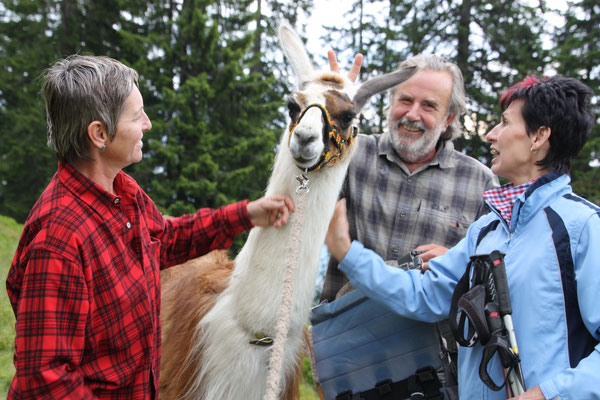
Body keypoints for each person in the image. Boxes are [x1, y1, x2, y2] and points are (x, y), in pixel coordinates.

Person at [5, 54, 294, 399]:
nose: (148, 124)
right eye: (136, 115)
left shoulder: (123, 193)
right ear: (99, 134)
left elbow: (166, 240)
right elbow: (47, 380)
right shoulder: (58, 240)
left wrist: (245, 215)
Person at [326, 74, 599, 399]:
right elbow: (423, 295)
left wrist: (548, 394)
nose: (490, 134)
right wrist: (347, 252)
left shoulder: (582, 227)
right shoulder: (486, 232)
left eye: (504, 123)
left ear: (538, 136)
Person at [320, 52, 498, 397]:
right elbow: (303, 185)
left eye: (429, 106)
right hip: (346, 360)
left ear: (449, 119)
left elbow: (498, 276)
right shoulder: (351, 156)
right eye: (405, 99)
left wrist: (461, 264)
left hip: (432, 374)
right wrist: (331, 106)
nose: (412, 114)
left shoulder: (481, 183)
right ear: (390, 102)